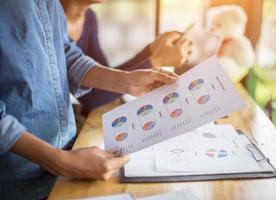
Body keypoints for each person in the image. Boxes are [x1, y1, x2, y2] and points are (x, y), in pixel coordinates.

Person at [0, 0, 178, 199]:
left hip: (65, 161)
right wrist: (61, 162)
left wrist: (125, 80)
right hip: (16, 180)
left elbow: (65, 52)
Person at [60, 0, 194, 110]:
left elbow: (105, 79)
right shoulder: (48, 21)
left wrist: (151, 51)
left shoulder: (89, 17)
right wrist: (155, 61)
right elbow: (93, 98)